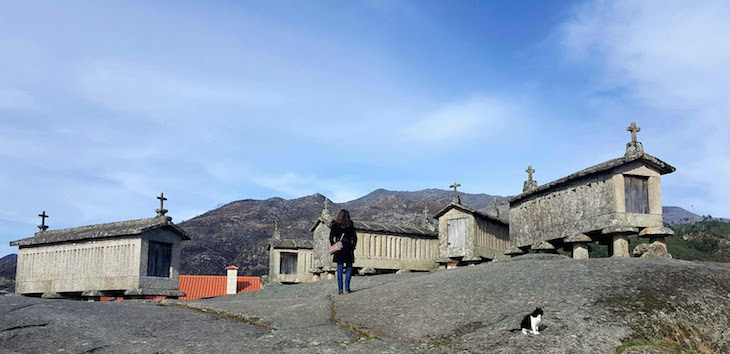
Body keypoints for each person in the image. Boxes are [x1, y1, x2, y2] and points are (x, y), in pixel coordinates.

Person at [330, 209, 357, 294]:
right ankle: (347, 288)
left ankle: (340, 290)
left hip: (339, 248)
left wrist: (335, 245)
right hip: (348, 247)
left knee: (340, 268)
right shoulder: (350, 225)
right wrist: (353, 247)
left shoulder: (335, 225)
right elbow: (355, 238)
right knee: (349, 267)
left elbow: (330, 238)